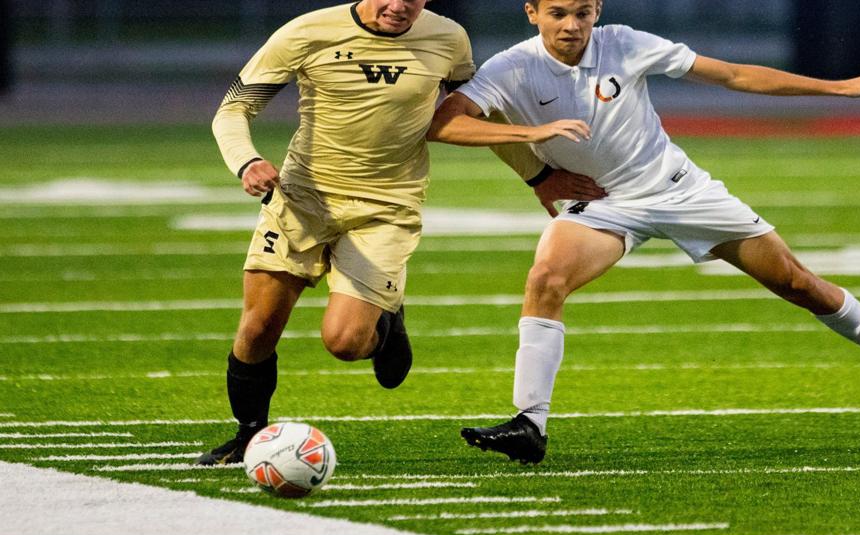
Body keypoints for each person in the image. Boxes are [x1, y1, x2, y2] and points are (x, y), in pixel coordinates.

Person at [429, 0, 860, 466]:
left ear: (598, 11)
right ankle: (530, 424)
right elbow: (446, 121)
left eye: (583, 11)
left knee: (799, 284)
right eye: (557, 12)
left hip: (680, 190)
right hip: (603, 205)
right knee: (546, 279)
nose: (571, 24)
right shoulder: (511, 68)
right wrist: (537, 137)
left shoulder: (624, 42)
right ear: (532, 12)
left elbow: (734, 75)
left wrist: (837, 88)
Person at [196, 0, 607, 466]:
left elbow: (474, 114)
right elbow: (234, 109)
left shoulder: (448, 38)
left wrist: (537, 176)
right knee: (258, 327)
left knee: (346, 343)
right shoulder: (306, 31)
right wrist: (246, 161)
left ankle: (385, 327)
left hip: (387, 207)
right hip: (301, 198)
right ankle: (250, 434)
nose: (398, 7)